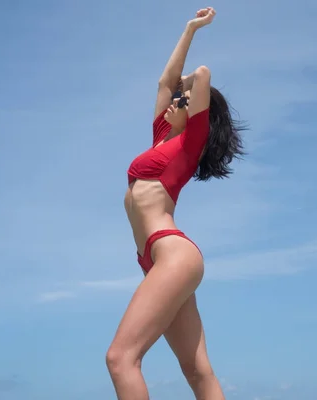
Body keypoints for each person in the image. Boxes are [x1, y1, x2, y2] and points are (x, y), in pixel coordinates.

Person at [106, 6, 245, 400]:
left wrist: (189, 95)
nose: (173, 100)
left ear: (196, 109)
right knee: (197, 371)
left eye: (181, 100)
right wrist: (190, 29)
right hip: (154, 259)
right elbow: (166, 81)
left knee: (120, 358)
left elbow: (199, 76)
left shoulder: (189, 143)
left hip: (172, 254)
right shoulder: (163, 137)